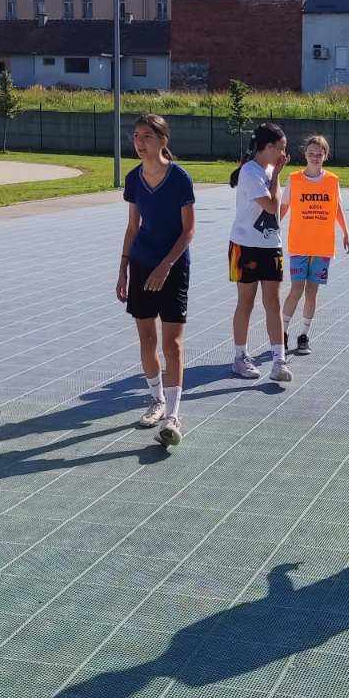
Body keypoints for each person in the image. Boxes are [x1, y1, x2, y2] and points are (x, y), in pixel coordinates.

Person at [117, 114, 195, 448]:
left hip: (172, 268)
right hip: (141, 264)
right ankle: (157, 399)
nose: (139, 142)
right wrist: (123, 268)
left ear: (162, 140)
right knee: (147, 339)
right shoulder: (133, 178)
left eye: (146, 136)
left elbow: (188, 230)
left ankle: (173, 416)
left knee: (172, 344)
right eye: (136, 136)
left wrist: (165, 266)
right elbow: (132, 227)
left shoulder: (179, 178)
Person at [228, 124, 292, 384]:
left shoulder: (268, 170)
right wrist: (276, 175)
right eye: (281, 148)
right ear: (269, 147)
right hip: (245, 245)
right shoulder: (250, 172)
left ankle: (279, 360)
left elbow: (277, 211)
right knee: (246, 301)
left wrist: (275, 174)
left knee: (273, 302)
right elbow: (271, 206)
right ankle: (240, 356)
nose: (284, 154)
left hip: (271, 245)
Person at [280, 134, 349, 355]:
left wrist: (346, 232)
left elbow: (336, 208)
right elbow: (284, 206)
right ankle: (282, 333)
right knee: (296, 289)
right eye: (311, 153)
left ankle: (304, 335)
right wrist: (272, 227)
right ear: (305, 154)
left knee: (312, 293)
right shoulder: (294, 179)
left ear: (325, 156)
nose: (315, 157)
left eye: (319, 154)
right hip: (299, 244)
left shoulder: (332, 180)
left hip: (322, 246)